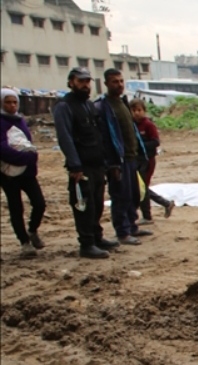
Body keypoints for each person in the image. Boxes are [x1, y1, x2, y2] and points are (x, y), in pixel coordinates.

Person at [53, 67, 118, 259]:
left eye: (87, 81)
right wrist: (75, 165)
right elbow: (65, 138)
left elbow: (98, 135)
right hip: (81, 166)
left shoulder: (89, 105)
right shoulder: (64, 107)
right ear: (71, 82)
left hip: (96, 162)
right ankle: (87, 243)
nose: (85, 85)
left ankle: (97, 237)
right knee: (84, 206)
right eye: (80, 81)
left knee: (97, 203)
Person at [96, 68, 150, 246]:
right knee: (121, 195)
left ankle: (132, 226)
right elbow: (105, 137)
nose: (119, 85)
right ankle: (122, 232)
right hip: (118, 160)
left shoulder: (123, 103)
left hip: (131, 157)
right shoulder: (104, 107)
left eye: (121, 81)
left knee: (134, 194)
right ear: (106, 84)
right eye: (114, 82)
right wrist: (111, 164)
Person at [1, 88, 46, 258]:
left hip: (27, 173)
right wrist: (24, 158)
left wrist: (30, 158)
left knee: (39, 203)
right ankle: (24, 242)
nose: (12, 106)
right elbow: (3, 148)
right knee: (16, 207)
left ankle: (32, 230)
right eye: (8, 102)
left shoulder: (20, 120)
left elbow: (26, 142)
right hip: (8, 174)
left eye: (14, 102)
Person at [130, 99, 175, 224]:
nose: (136, 113)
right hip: (136, 160)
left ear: (144, 111)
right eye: (133, 111)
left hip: (147, 161)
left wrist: (141, 145)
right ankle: (165, 204)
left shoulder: (148, 125)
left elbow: (156, 141)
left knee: (142, 188)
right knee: (140, 187)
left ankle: (148, 215)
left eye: (139, 110)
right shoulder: (131, 125)